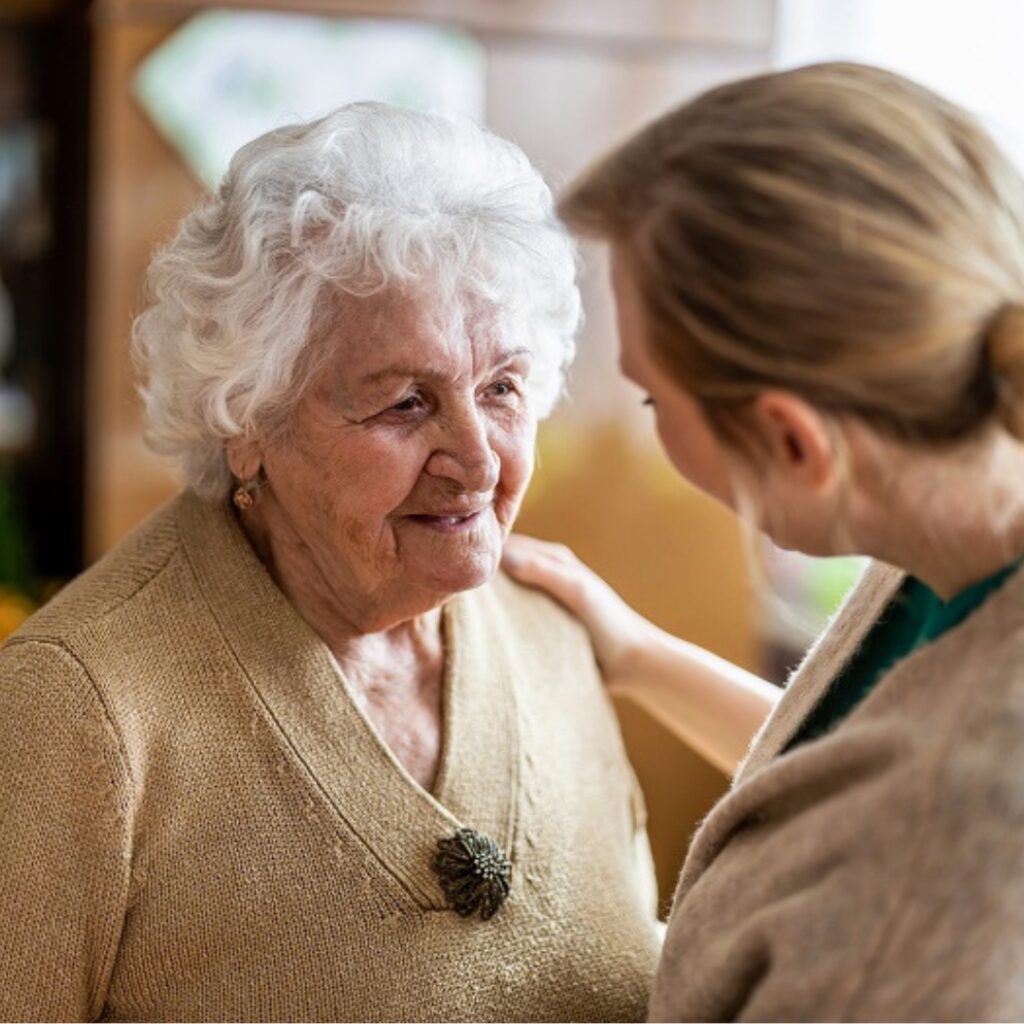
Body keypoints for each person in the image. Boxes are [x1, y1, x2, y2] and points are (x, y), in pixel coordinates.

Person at [0, 103, 661, 1022]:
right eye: (404, 403)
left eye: (502, 388)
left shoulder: (553, 632)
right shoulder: (75, 711)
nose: (477, 460)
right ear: (246, 421)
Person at [503, 63, 1024, 1021]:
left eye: (655, 397)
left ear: (791, 440)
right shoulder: (955, 514)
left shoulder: (940, 868)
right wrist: (639, 656)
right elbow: (846, 778)